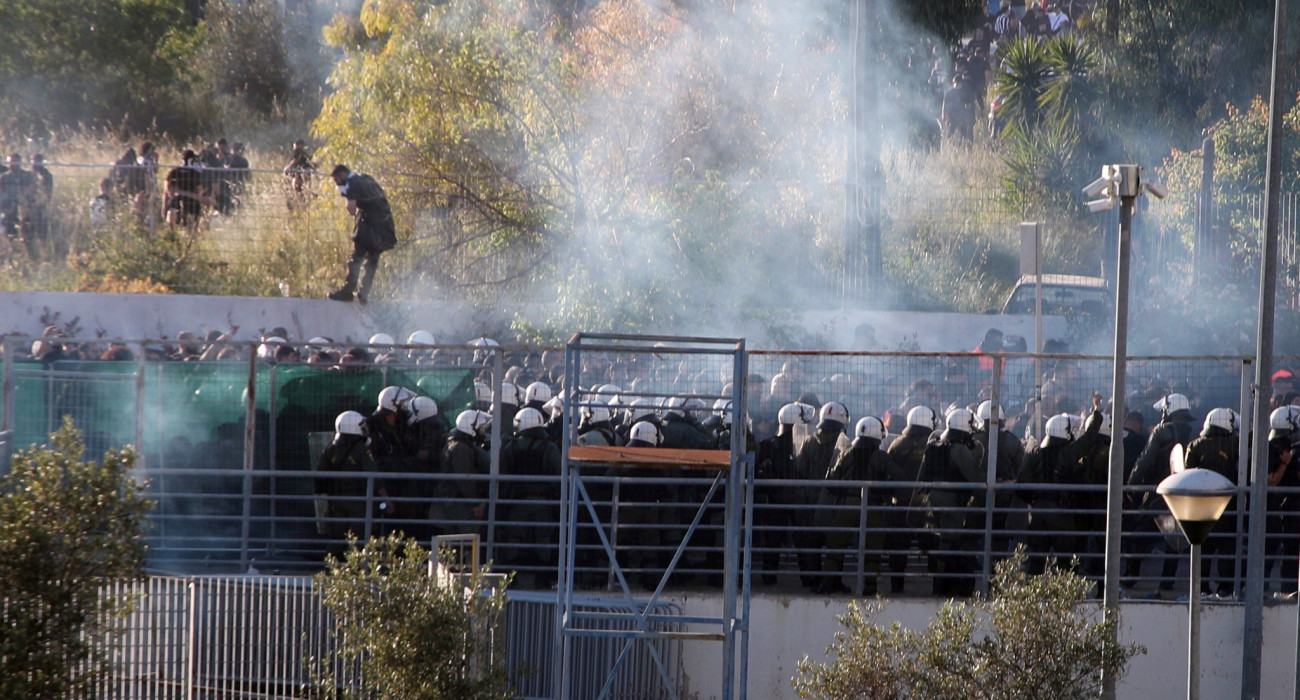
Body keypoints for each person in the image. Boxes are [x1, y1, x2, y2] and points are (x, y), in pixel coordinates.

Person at [817, 415, 892, 595]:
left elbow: (832, 479)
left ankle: (828, 583)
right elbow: (897, 478)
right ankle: (870, 588)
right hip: (873, 506)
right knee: (873, 549)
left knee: (836, 545)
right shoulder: (881, 457)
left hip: (848, 504)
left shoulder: (847, 453)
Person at [915, 407, 985, 596]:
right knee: (951, 542)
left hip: (932, 501)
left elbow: (922, 478)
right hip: (952, 501)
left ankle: (939, 585)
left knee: (940, 541)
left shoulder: (933, 446)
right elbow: (976, 478)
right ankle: (951, 585)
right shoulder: (960, 449)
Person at [1183, 407, 1240, 597]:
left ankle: (1201, 588)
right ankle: (1225, 588)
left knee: (1202, 548)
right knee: (1226, 548)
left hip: (1200, 505)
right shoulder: (1236, 443)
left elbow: (1187, 473)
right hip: (1227, 504)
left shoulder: (1194, 445)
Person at [328, 164, 397, 305]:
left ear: (342, 175)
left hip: (369, 225)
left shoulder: (352, 184)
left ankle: (347, 291)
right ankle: (364, 293)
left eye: (337, 181)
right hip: (383, 225)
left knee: (356, 258)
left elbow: (351, 210)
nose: (338, 184)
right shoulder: (366, 178)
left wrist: (345, 193)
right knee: (372, 259)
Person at [314, 411, 380, 557]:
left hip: (335, 500)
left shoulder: (330, 449)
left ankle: (331, 567)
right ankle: (360, 567)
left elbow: (320, 474)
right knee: (360, 536)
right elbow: (373, 474)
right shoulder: (361, 450)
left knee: (337, 536)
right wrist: (384, 496)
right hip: (357, 500)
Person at [0, 153, 36, 238]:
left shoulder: (27, 175)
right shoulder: (4, 177)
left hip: (23, 207)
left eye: (14, 162)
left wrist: (19, 200)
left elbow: (30, 190)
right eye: (10, 162)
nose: (12, 164)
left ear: (19, 162)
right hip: (8, 208)